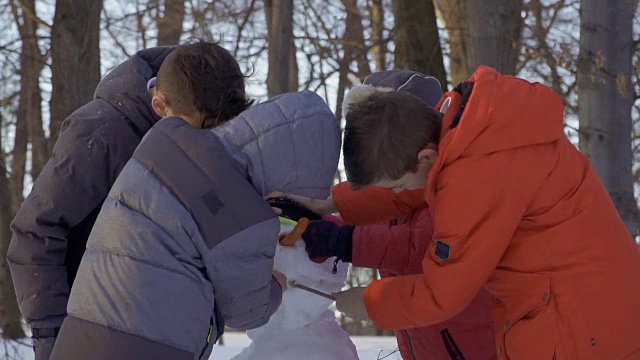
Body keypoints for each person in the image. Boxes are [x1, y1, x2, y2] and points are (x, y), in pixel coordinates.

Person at [295, 66, 640, 359]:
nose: (400, 194)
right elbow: (418, 190)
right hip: (601, 305)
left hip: (579, 327)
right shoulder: (475, 134)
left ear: (426, 157)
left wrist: (371, 303)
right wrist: (331, 204)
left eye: (396, 184)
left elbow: (442, 293)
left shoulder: (476, 178)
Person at [47, 82, 341, 359]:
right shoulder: (242, 213)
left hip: (85, 329)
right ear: (292, 170)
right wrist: (276, 284)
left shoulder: (165, 140)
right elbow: (248, 311)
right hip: (149, 348)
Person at [6, 41, 251, 359]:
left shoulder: (203, 126)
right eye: (200, 130)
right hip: (94, 337)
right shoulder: (100, 134)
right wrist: (55, 335)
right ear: (160, 105)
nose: (209, 142)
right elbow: (35, 233)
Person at [290, 70, 496, 359]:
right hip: (425, 336)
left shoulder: (450, 190)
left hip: (468, 340)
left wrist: (342, 243)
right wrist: (317, 220)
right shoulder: (404, 186)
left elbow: (418, 248)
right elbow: (377, 222)